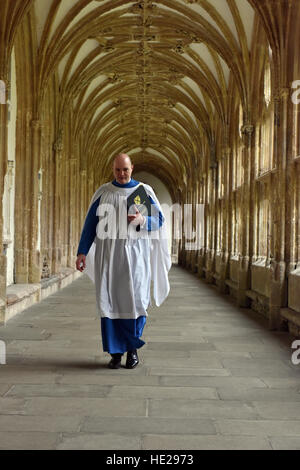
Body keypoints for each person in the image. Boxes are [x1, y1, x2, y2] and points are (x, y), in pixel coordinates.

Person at [76, 153, 171, 369]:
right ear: (113, 169)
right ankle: (115, 353)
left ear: (132, 168)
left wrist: (142, 219)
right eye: (118, 170)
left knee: (135, 301)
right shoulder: (104, 193)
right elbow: (90, 224)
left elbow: (159, 220)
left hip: (136, 257)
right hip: (108, 257)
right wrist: (82, 252)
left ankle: (132, 351)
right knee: (109, 302)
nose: (121, 174)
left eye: (125, 170)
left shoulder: (141, 192)